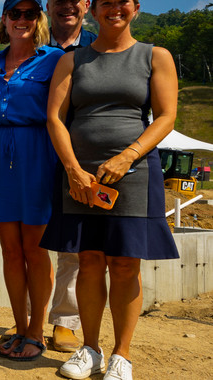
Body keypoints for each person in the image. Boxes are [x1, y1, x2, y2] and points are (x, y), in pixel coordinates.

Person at [41, 0, 179, 377]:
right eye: (106, 3)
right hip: (80, 175)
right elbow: (54, 117)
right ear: (94, 10)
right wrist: (72, 169)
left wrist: (128, 156)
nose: (113, 9)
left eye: (122, 3)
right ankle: (90, 348)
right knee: (88, 261)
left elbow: (166, 116)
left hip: (133, 174)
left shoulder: (155, 56)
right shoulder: (72, 60)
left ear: (135, 8)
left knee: (124, 263)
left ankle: (122, 354)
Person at [0, 0, 63, 361]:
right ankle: (19, 325)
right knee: (9, 249)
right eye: (15, 13)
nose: (22, 20)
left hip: (37, 154)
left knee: (35, 249)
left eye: (30, 13)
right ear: (4, 18)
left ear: (39, 19)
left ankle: (37, 331)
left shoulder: (55, 59)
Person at [43, 0, 97, 353]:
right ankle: (28, 319)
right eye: (59, 0)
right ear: (49, 5)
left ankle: (65, 321)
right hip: (34, 153)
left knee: (74, 246)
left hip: (79, 157)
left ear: (87, 5)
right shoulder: (31, 43)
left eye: (75, 0)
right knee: (27, 240)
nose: (67, 7)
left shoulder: (97, 48)